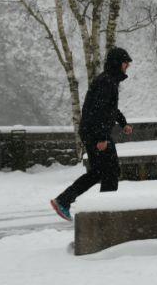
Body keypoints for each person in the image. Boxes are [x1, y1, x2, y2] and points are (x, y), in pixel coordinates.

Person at [50, 47, 134, 220]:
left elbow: (109, 108)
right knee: (110, 172)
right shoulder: (107, 82)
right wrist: (102, 138)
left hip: (91, 131)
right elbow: (99, 111)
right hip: (96, 133)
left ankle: (64, 200)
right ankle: (106, 213)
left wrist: (123, 123)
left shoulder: (108, 80)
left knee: (99, 172)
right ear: (118, 63)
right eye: (126, 63)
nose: (128, 67)